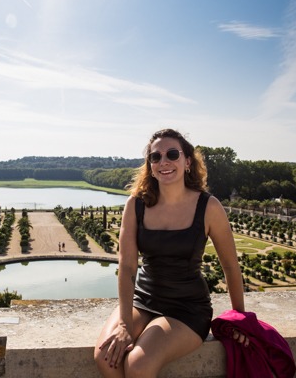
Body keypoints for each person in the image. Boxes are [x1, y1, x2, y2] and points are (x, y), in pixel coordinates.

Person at [94, 128, 247, 377]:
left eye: (172, 154)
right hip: (143, 299)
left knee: (137, 364)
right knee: (105, 356)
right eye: (156, 157)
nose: (163, 162)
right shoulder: (136, 205)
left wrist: (241, 318)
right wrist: (123, 323)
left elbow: (230, 265)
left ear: (187, 162)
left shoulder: (208, 206)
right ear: (150, 166)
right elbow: (128, 267)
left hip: (187, 308)